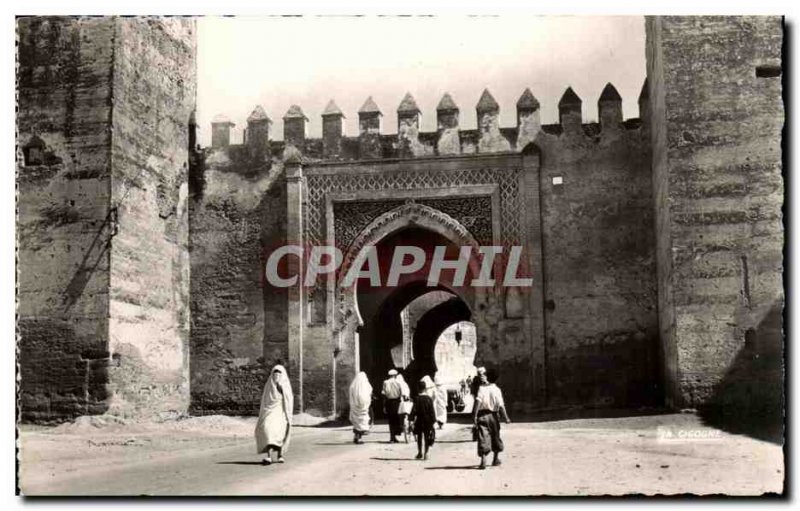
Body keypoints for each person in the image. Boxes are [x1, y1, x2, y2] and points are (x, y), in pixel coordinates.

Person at [472, 367, 511, 470]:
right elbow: (501, 405)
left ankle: (483, 459)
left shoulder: (482, 388)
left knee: (482, 436)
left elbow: (478, 402)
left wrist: (474, 415)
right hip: (493, 416)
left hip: (482, 415)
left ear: (488, 377)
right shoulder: (497, 390)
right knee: (495, 436)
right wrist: (506, 418)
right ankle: (495, 459)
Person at [255, 364, 293, 465]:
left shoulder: (285, 386)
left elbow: (289, 400)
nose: (276, 376)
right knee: (268, 432)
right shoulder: (269, 386)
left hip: (281, 413)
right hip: (270, 413)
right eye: (275, 374)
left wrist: (281, 388)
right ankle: (268, 456)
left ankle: (280, 455)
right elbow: (265, 401)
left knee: (280, 433)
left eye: (279, 374)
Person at [409, 379, 437, 460]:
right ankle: (426, 453)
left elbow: (413, 410)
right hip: (428, 420)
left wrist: (411, 419)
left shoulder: (417, 399)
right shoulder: (429, 399)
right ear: (425, 388)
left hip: (419, 420)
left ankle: (420, 452)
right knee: (427, 437)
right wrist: (434, 421)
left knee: (419, 437)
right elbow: (432, 411)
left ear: (418, 388)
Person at [349, 371, 373, 444]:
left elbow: (351, 394)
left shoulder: (353, 385)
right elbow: (370, 392)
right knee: (362, 421)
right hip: (364, 407)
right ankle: (358, 438)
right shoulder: (366, 385)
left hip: (355, 406)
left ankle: (356, 436)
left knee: (357, 422)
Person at [381, 369, 403, 443]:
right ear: (395, 375)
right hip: (397, 402)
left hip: (389, 402)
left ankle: (392, 437)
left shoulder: (385, 382)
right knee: (397, 418)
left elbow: (384, 394)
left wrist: (384, 406)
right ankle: (395, 435)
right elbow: (401, 392)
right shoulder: (399, 382)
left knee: (391, 420)